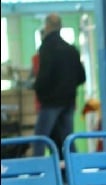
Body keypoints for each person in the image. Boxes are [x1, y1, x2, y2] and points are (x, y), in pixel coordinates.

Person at [33, 13, 86, 158]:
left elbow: (44, 76)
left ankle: (35, 174)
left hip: (50, 103)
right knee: (68, 141)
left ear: (48, 26)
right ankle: (74, 174)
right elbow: (82, 77)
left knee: (40, 140)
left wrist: (38, 90)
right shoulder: (72, 50)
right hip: (68, 102)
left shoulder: (46, 49)